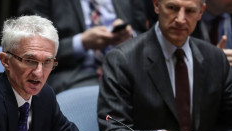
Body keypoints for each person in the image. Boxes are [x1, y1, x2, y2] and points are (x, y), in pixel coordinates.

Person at [97, 0, 232, 131]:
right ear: (156, 5)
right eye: (172, 8)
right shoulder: (123, 59)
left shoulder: (214, 58)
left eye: (189, 11)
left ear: (201, 12)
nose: (180, 19)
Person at [18, 0, 147, 94]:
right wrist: (82, 43)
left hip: (125, 72)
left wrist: (131, 37)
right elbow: (29, 47)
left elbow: (149, 36)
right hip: (74, 74)